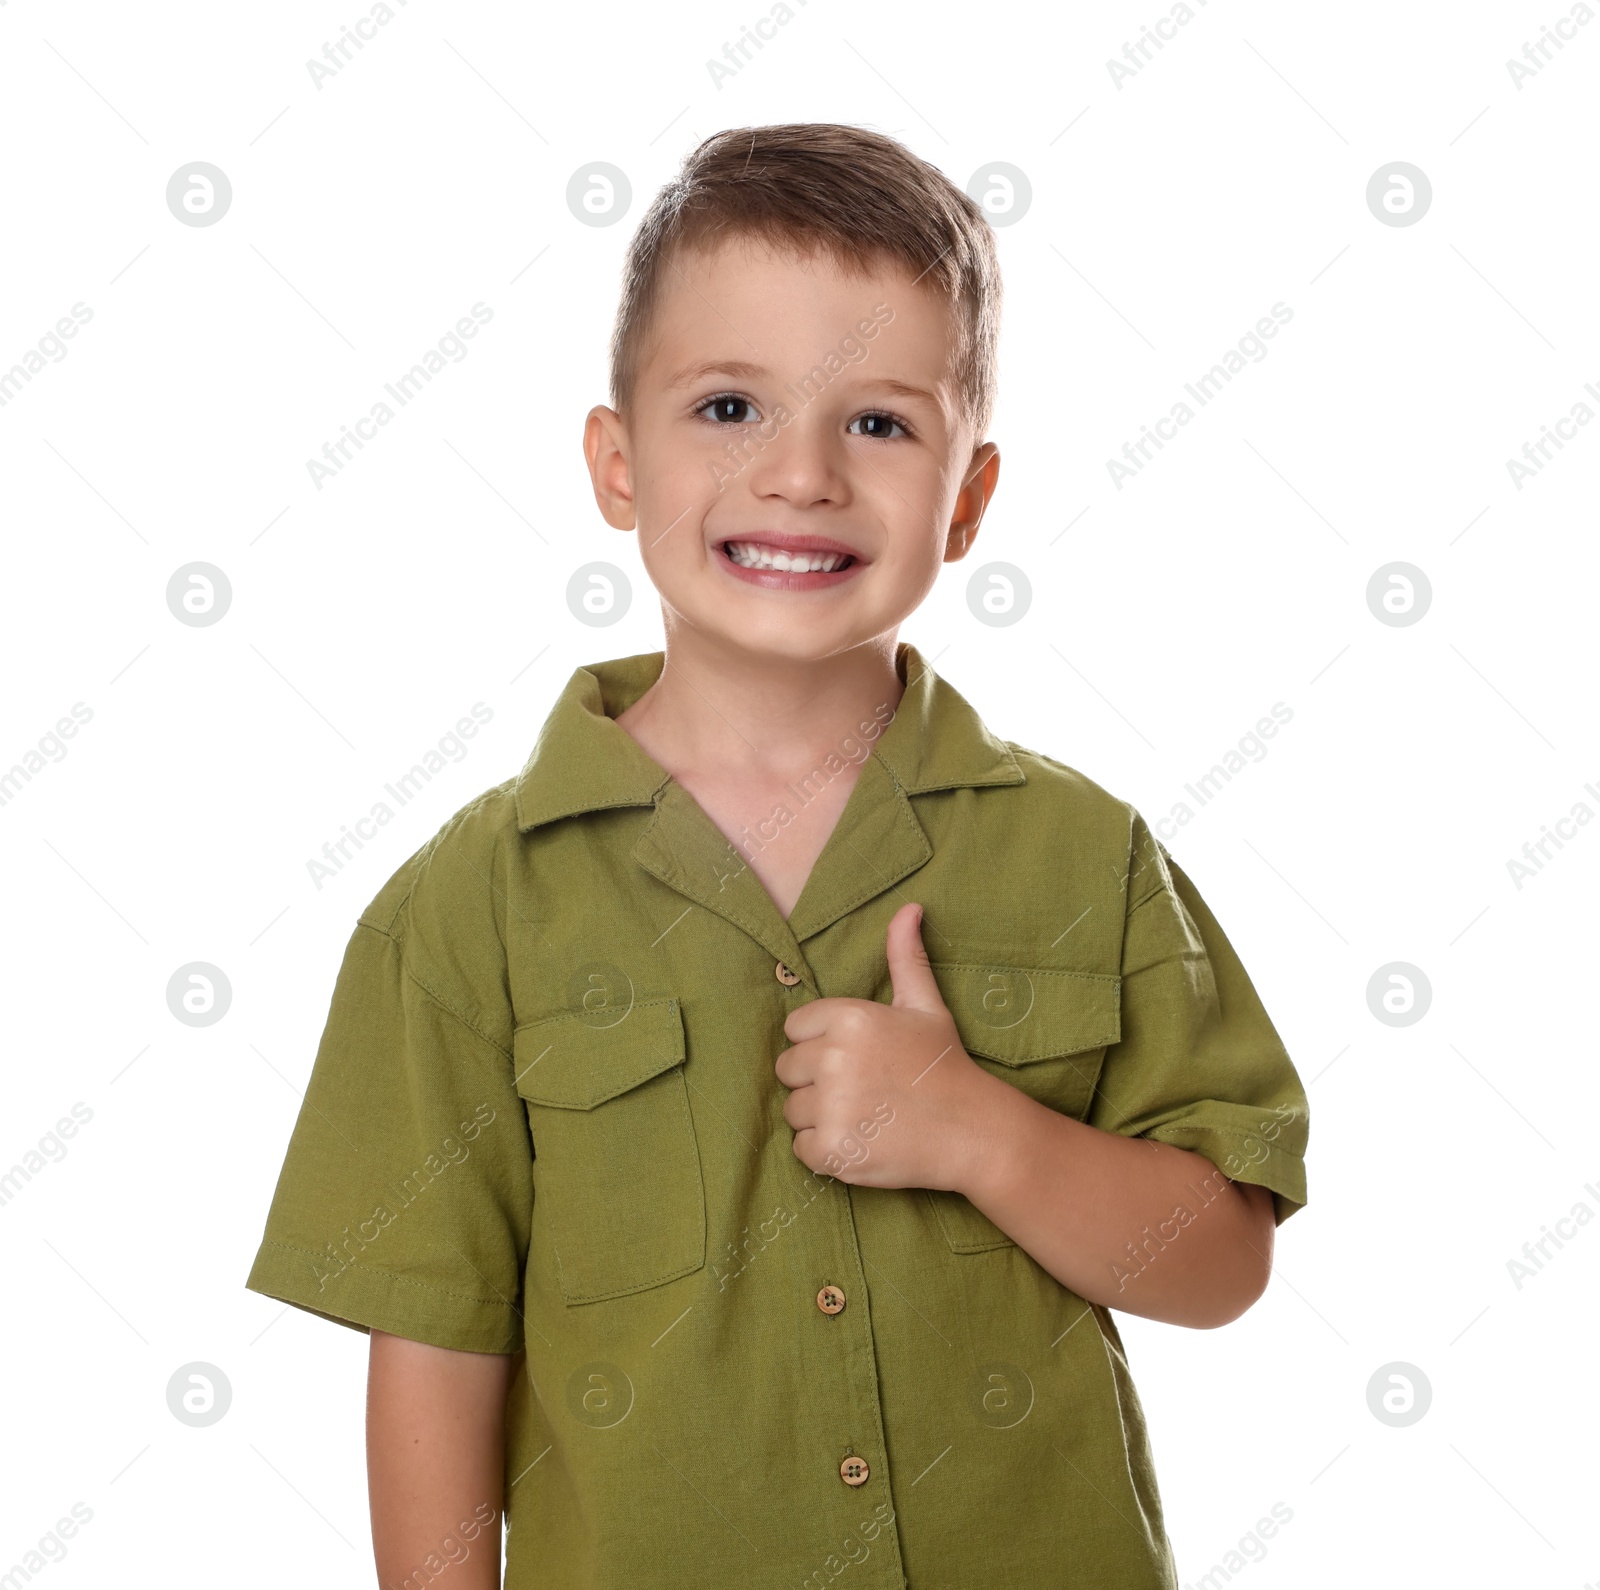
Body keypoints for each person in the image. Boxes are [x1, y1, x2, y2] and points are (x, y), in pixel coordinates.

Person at [246, 121, 1309, 1590]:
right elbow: (435, 1342)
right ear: (617, 464)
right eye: (731, 404)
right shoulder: (468, 907)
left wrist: (980, 1133)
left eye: (878, 424)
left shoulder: (1085, 853)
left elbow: (1223, 1264)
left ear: (971, 495)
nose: (800, 474)